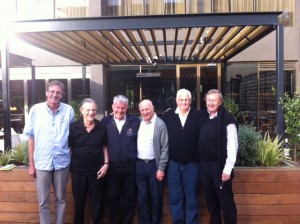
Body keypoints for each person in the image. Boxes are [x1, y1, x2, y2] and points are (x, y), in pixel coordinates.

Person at [24, 80, 75, 224]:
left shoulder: (68, 110)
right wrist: (31, 165)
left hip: (62, 163)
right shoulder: (35, 110)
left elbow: (71, 140)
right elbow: (31, 139)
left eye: (58, 92)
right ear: (46, 92)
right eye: (52, 91)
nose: (55, 94)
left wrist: (71, 163)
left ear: (62, 95)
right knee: (43, 202)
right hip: (42, 162)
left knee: (61, 199)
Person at [198, 89, 238, 224]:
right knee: (211, 203)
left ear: (220, 102)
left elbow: (233, 145)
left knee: (226, 203)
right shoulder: (203, 116)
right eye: (208, 100)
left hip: (220, 167)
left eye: (214, 100)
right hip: (205, 167)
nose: (210, 103)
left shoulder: (227, 118)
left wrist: (227, 169)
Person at [163, 88, 201, 224]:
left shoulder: (199, 116)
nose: (184, 102)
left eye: (186, 99)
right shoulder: (168, 116)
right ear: (176, 101)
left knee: (192, 198)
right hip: (173, 164)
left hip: (192, 164)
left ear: (190, 101)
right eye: (181, 99)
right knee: (175, 198)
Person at [101, 95, 140, 224]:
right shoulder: (105, 122)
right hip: (112, 167)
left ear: (127, 108)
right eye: (117, 107)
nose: (120, 110)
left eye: (123, 108)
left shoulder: (135, 121)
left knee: (129, 198)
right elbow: (101, 143)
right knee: (113, 198)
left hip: (130, 166)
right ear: (112, 107)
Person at [69, 98, 109, 224]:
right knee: (79, 203)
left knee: (97, 203)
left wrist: (106, 164)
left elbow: (104, 146)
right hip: (78, 172)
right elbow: (70, 148)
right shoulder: (74, 128)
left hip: (97, 171)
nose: (91, 112)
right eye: (88, 110)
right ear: (81, 111)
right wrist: (69, 170)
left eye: (93, 110)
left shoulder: (101, 127)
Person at [136, 99, 169, 224]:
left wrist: (161, 168)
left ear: (153, 108)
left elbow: (165, 148)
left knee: (156, 198)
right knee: (142, 198)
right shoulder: (138, 122)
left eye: (147, 109)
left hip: (154, 166)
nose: (145, 112)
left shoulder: (160, 124)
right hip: (139, 165)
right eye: (142, 110)